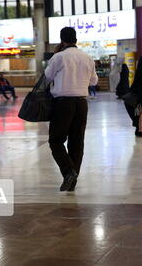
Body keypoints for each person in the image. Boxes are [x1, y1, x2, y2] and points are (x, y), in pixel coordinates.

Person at [45, 27, 98, 192]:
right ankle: (72, 180)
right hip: (82, 104)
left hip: (63, 104)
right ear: (76, 39)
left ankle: (68, 173)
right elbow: (94, 81)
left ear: (62, 40)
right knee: (77, 142)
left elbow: (47, 76)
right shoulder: (87, 58)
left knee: (56, 140)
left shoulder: (59, 57)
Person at [124, 55, 142, 137]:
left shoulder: (140, 69)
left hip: (140, 95)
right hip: (141, 96)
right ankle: (140, 130)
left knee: (141, 113)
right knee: (141, 112)